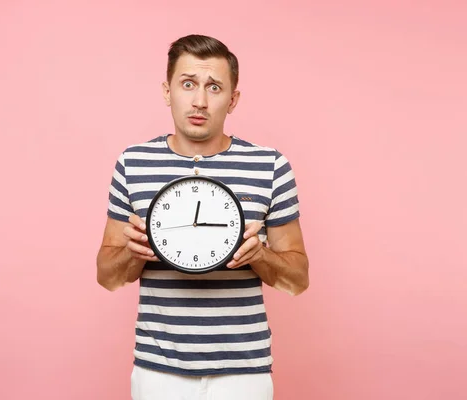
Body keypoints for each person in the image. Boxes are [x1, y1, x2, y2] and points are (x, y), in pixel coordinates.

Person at [96, 34, 310, 400]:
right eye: (188, 84)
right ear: (167, 91)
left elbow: (297, 279)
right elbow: (107, 276)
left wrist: (260, 256)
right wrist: (133, 253)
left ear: (233, 99)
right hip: (157, 370)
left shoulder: (270, 165)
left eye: (214, 87)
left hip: (244, 370)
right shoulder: (132, 163)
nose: (199, 101)